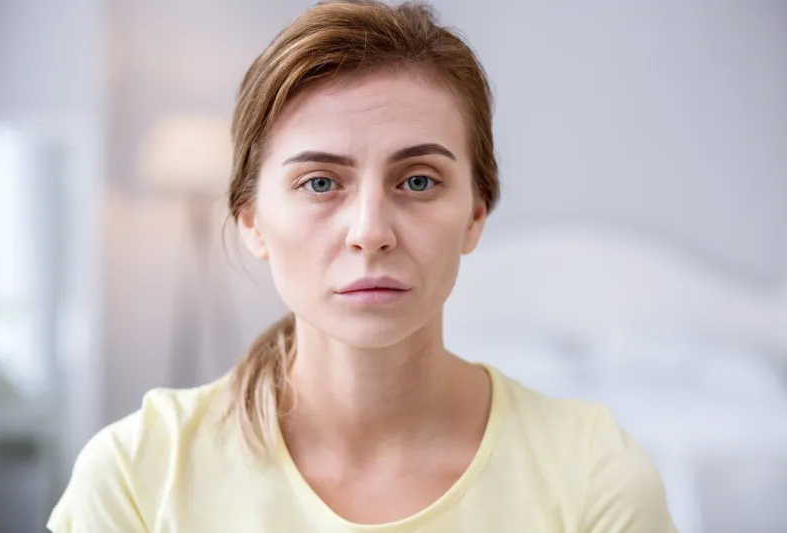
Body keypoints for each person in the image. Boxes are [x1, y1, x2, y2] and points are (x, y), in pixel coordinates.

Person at [48, 1, 676, 531]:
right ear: (251, 220)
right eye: (320, 182)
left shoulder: (595, 474)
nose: (370, 232)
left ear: (476, 216)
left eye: (420, 180)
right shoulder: (135, 475)